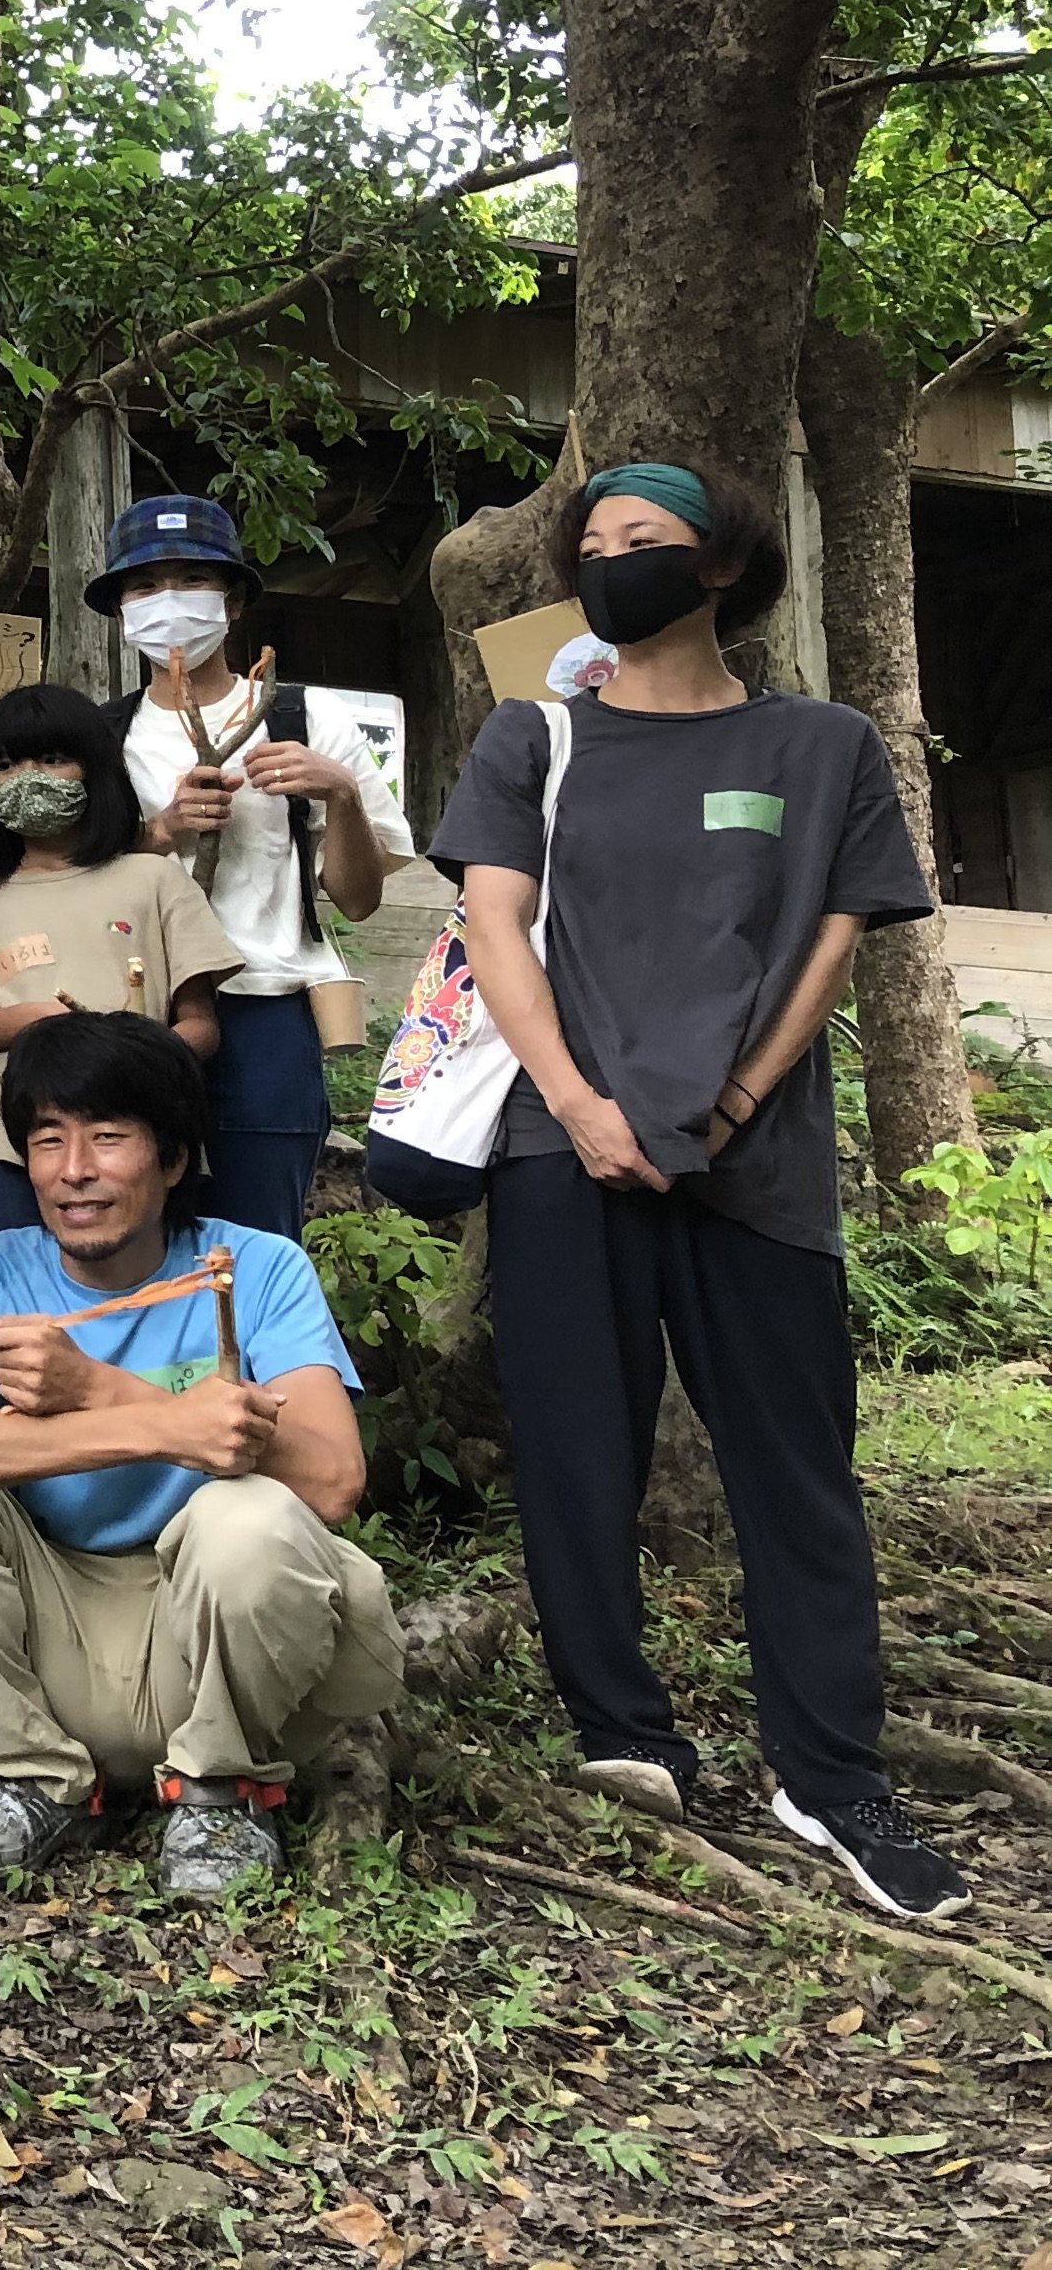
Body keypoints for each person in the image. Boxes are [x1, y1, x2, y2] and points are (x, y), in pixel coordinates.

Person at [431, 460, 969, 1921]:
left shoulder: (823, 743)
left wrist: (730, 1104)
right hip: (564, 1153)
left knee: (798, 1470)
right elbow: (495, 924)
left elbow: (836, 937)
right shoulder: (535, 735)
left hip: (759, 1167)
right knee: (575, 1454)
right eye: (594, 544)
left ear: (722, 564)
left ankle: (833, 1774)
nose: (612, 563)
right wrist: (578, 1104)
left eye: (645, 541)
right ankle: (622, 1733)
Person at [0, 1011, 402, 1900]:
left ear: (173, 1159)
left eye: (109, 1137)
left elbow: (335, 1478)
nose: (75, 1169)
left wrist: (104, 1389)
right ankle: (33, 1778)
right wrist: (165, 1425)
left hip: (222, 1641)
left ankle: (223, 1789)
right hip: (56, 1633)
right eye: (48, 1140)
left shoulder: (256, 1266)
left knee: (250, 1513)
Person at [97, 494, 405, 1238]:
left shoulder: (304, 718)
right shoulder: (103, 735)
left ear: (232, 602)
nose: (168, 602)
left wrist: (341, 795)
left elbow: (357, 900)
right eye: (144, 586)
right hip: (136, 1010)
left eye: (191, 581)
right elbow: (72, 883)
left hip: (265, 1010)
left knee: (259, 1238)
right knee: (125, 1233)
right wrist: (162, 830)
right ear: (122, 610)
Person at [0, 685, 236, 1242]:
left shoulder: (155, 878)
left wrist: (127, 1059)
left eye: (52, 759)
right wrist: (31, 1021)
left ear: (97, 770)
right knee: (8, 1288)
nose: (27, 777)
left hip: (130, 1134)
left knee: (134, 1281)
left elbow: (200, 1024)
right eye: (5, 765)